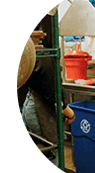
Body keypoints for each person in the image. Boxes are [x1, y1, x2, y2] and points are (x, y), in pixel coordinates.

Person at [21, 31, 75, 165]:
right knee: (51, 150)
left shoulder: (32, 54)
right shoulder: (43, 55)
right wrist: (68, 111)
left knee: (46, 147)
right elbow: (51, 90)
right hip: (40, 109)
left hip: (32, 104)